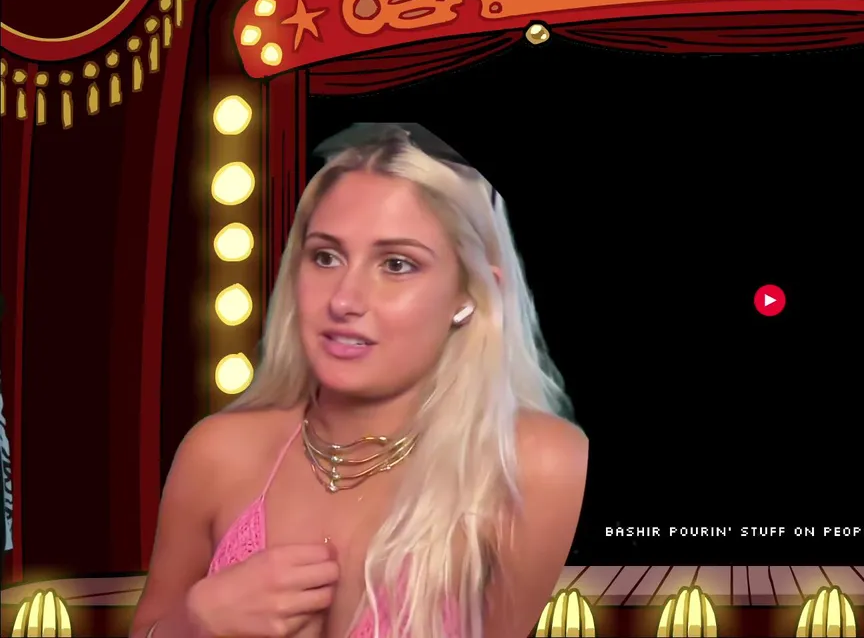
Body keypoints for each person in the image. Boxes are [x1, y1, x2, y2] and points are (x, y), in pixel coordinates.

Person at [130, 124, 588, 638]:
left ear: (470, 295)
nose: (344, 300)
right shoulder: (217, 453)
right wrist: (194, 622)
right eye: (325, 257)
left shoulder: (535, 466)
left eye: (397, 264)